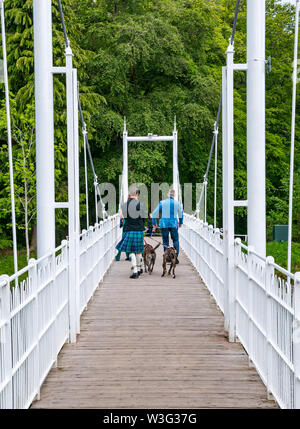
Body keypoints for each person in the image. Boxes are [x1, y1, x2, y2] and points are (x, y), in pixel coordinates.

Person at [116, 184, 146, 279]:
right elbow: (144, 217)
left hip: (129, 230)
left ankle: (135, 272)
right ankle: (140, 268)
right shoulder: (141, 204)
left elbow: (120, 216)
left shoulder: (125, 205)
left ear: (130, 194)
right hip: (139, 230)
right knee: (138, 251)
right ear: (137, 194)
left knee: (131, 251)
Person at [152, 188, 183, 254]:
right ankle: (175, 256)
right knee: (175, 240)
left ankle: (167, 257)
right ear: (174, 195)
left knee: (165, 241)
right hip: (174, 224)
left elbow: (154, 213)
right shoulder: (177, 203)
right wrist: (180, 222)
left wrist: (154, 223)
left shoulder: (162, 203)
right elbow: (181, 214)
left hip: (164, 224)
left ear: (168, 195)